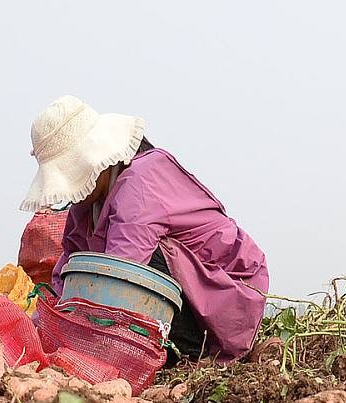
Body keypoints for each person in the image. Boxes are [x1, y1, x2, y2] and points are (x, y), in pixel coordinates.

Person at [22, 95, 268, 361]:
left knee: (135, 267)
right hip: (187, 290)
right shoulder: (86, 206)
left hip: (227, 296)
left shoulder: (139, 184)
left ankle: (190, 354)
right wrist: (42, 324)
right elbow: (67, 273)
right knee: (87, 266)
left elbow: (118, 279)